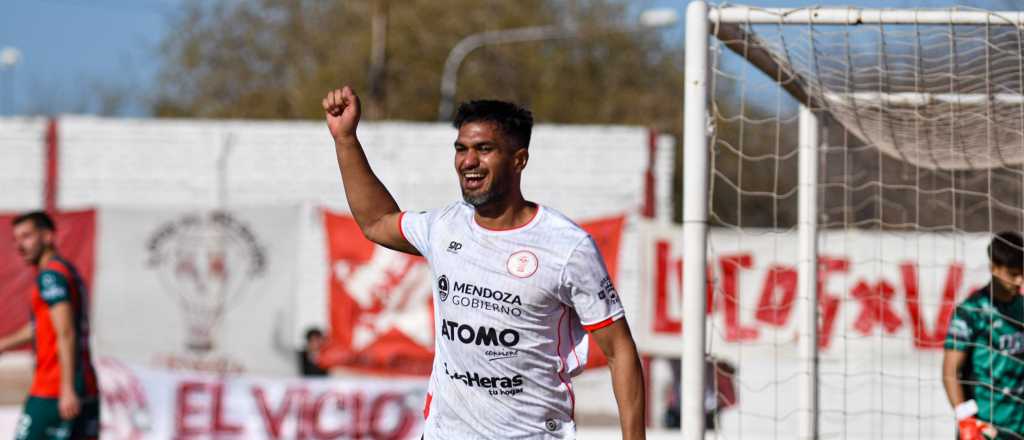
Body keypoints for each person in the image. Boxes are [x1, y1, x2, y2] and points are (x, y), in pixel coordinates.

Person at [322, 86, 645, 439]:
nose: (468, 161)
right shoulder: (445, 227)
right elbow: (376, 221)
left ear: (519, 159)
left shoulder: (566, 246)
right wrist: (346, 139)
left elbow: (620, 351)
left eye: (484, 149)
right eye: (461, 149)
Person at [0, 212, 99, 440]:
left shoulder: (50, 277)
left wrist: (66, 389)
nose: (20, 246)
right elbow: (47, 326)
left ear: (47, 236)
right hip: (84, 383)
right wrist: (5, 343)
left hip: (54, 388)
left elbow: (65, 331)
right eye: (16, 239)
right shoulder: (67, 271)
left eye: (26, 237)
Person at [943, 231, 1024, 440]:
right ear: (994, 268)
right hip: (985, 429)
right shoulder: (971, 312)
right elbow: (950, 371)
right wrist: (966, 420)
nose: (1019, 280)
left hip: (1019, 426)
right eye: (1013, 273)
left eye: (1023, 272)